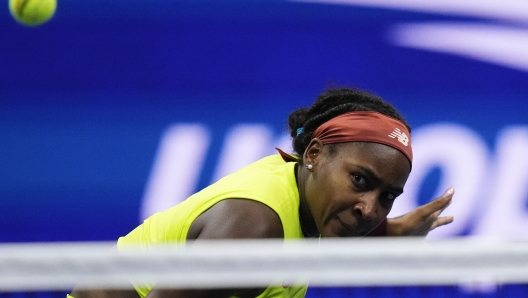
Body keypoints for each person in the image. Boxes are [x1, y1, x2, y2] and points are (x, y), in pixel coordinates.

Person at [70, 87, 454, 298]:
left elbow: (341, 228)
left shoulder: (305, 192)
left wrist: (394, 232)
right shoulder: (253, 231)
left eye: (388, 196)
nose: (370, 209)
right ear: (315, 154)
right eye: (360, 181)